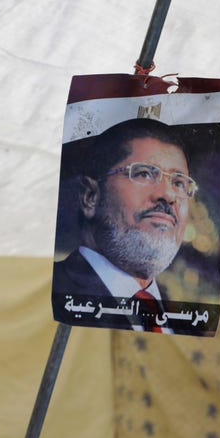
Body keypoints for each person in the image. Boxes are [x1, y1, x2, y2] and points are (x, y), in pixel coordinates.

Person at [52, 118, 197, 334]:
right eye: (144, 174)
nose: (167, 195)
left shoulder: (187, 319)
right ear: (90, 197)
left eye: (178, 183)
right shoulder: (54, 292)